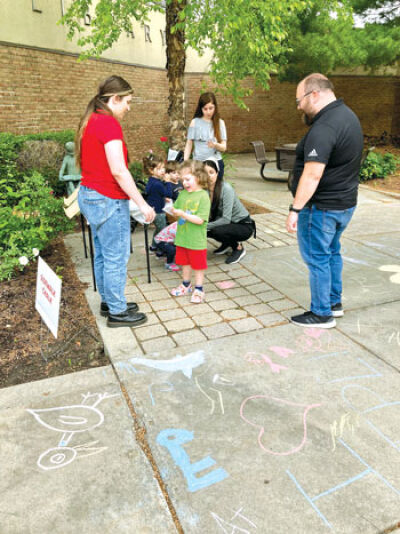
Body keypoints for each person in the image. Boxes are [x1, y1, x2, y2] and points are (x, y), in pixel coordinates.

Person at [286, 73, 363, 328]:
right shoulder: (348, 116)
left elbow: (313, 173)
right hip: (344, 204)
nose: (298, 106)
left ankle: (321, 314)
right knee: (331, 253)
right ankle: (333, 303)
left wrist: (295, 209)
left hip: (321, 207)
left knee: (317, 257)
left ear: (314, 94)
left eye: (299, 100)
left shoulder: (325, 126)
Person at [77, 75, 155, 328]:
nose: (128, 108)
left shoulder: (91, 120)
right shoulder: (109, 124)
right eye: (127, 102)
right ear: (115, 99)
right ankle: (118, 312)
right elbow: (119, 170)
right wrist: (142, 204)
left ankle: (109, 301)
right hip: (108, 199)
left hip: (90, 195)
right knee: (115, 257)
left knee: (102, 253)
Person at [170, 161, 211, 303]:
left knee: (198, 265)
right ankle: (186, 284)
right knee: (184, 263)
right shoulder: (182, 195)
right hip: (183, 238)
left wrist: (183, 214)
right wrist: (174, 211)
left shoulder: (203, 196)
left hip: (196, 240)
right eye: (182, 180)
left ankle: (199, 288)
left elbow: (200, 220)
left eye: (188, 179)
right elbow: (176, 209)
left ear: (199, 177)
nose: (184, 183)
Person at [205, 158, 255, 265]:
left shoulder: (226, 188)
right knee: (208, 230)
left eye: (211, 172)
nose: (208, 176)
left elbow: (226, 219)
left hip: (243, 226)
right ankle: (227, 243)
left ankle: (238, 248)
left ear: (217, 173)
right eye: (205, 173)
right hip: (230, 224)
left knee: (214, 230)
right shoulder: (206, 190)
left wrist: (205, 226)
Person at [184, 92, 227, 178]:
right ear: (201, 108)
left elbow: (224, 147)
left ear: (215, 107)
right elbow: (189, 144)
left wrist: (215, 145)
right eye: (205, 109)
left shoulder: (220, 123)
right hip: (199, 164)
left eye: (211, 108)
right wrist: (186, 163)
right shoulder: (194, 122)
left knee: (215, 190)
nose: (208, 112)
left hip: (216, 163)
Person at [143, 153, 169, 251]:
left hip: (155, 210)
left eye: (163, 168)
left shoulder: (151, 181)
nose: (162, 171)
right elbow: (168, 193)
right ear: (151, 170)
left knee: (159, 229)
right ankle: (160, 249)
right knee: (162, 230)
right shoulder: (158, 184)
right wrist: (167, 182)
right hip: (159, 212)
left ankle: (154, 246)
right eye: (158, 169)